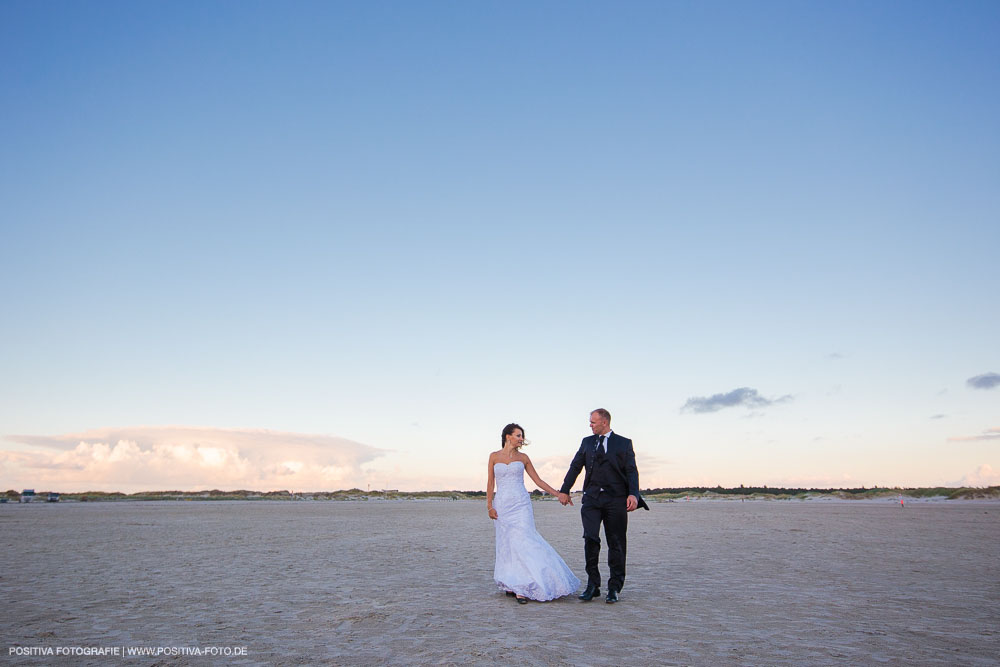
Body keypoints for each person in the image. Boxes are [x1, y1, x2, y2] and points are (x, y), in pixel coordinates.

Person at [557, 408, 648, 604]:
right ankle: (593, 584)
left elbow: (632, 471)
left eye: (593, 422)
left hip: (616, 499)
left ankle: (614, 587)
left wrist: (633, 493)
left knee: (616, 542)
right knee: (590, 538)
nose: (590, 425)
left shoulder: (624, 443)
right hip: (591, 499)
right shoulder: (587, 442)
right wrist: (564, 490)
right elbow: (575, 466)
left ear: (604, 422)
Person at [487, 423, 581, 603]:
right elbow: (490, 483)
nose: (521, 439)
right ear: (508, 436)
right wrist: (489, 506)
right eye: (518, 435)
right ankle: (510, 583)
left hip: (521, 504)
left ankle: (523, 587)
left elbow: (538, 481)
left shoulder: (524, 458)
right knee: (507, 543)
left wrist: (559, 494)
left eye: (522, 436)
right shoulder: (494, 456)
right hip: (503, 505)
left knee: (525, 540)